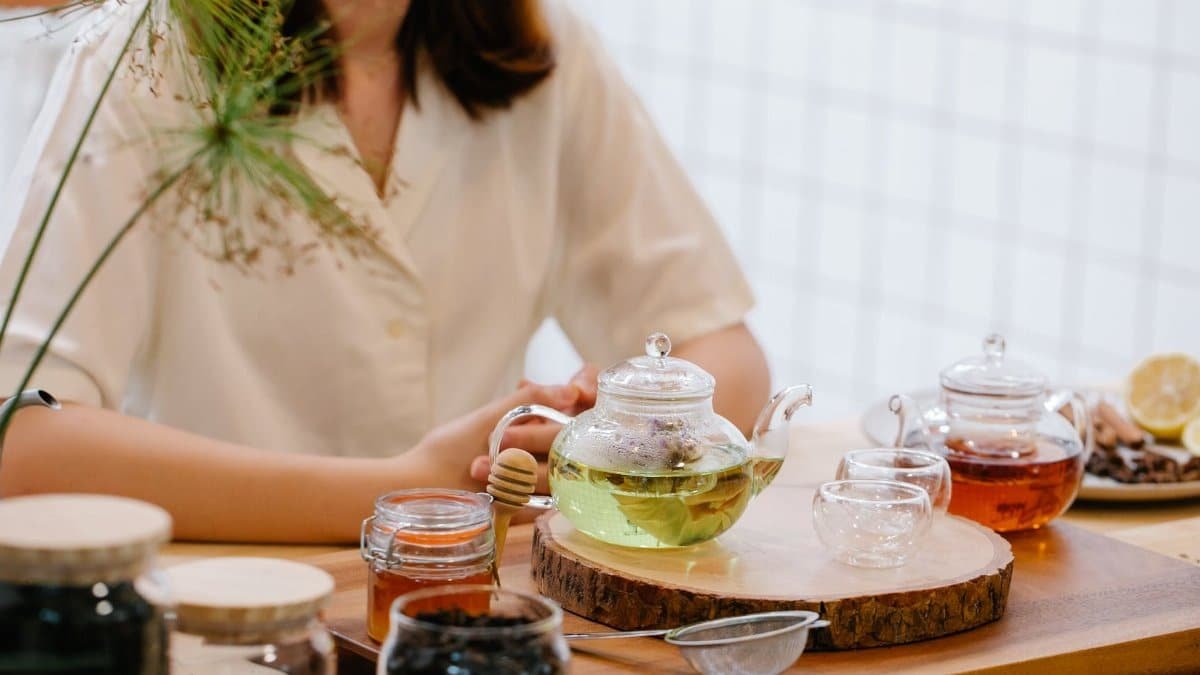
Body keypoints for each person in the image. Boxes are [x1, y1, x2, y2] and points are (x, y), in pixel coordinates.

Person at [0, 0, 769, 542]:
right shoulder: (149, 58)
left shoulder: (540, 46)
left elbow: (722, 353)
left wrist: (607, 441)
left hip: (469, 603)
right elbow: (22, 440)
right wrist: (403, 484)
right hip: (223, 602)